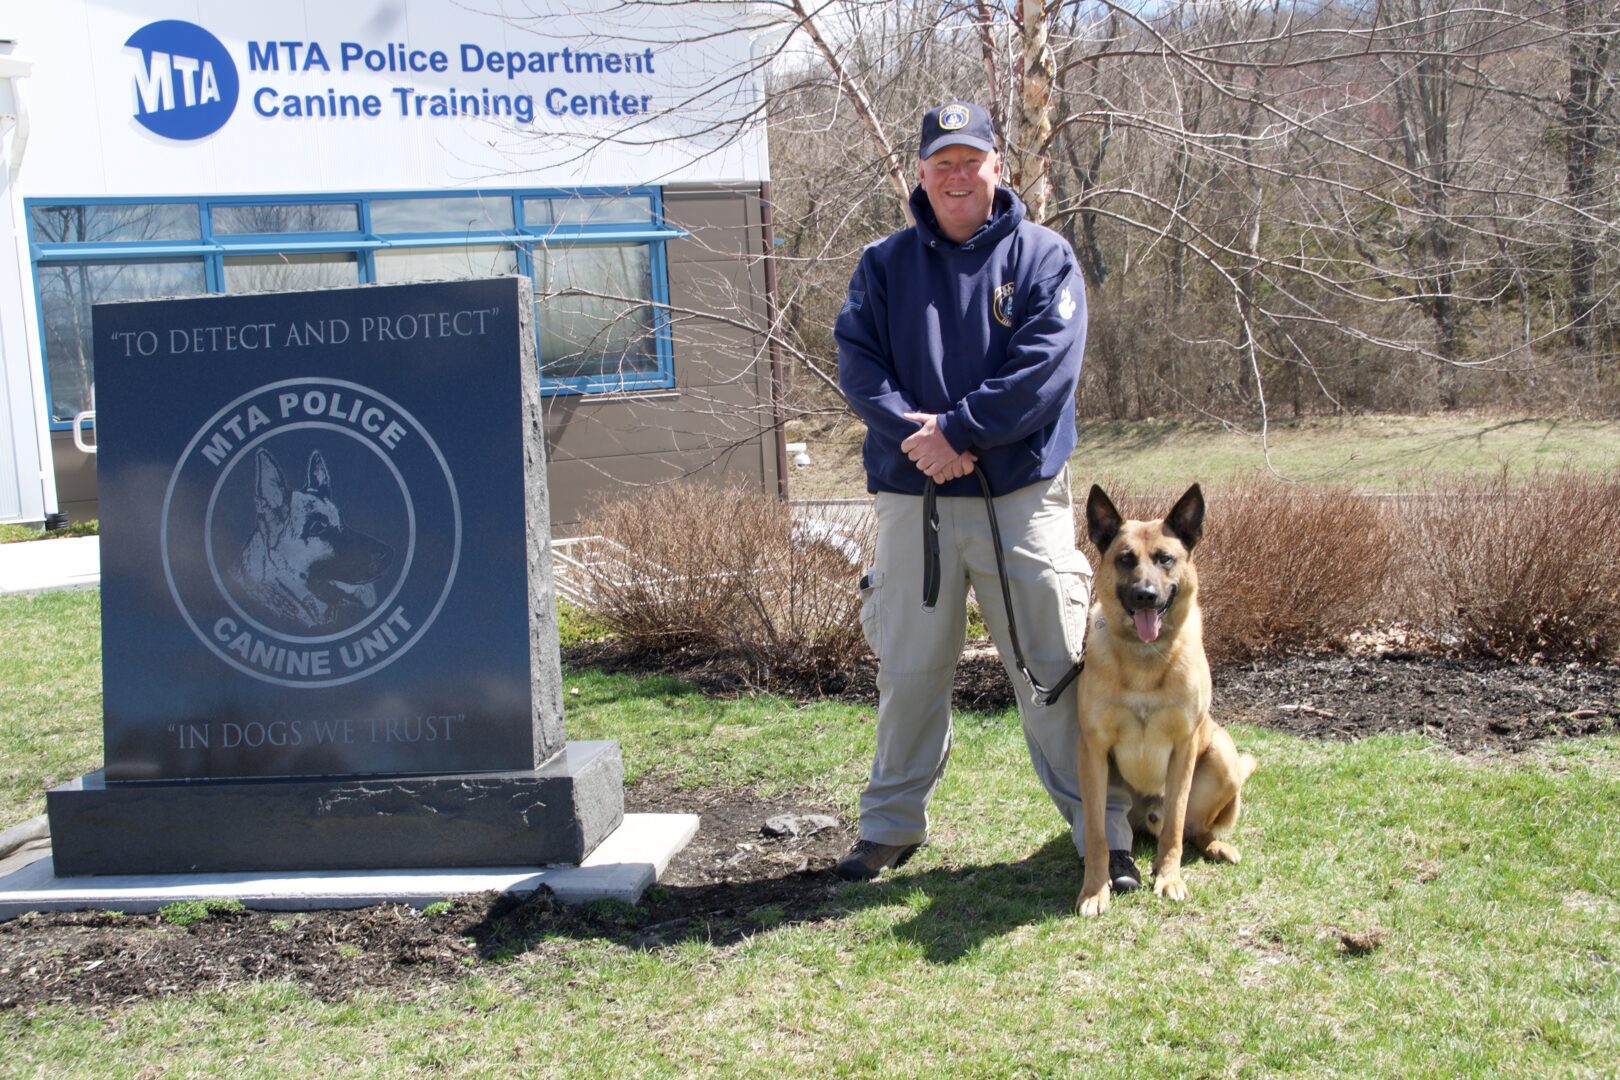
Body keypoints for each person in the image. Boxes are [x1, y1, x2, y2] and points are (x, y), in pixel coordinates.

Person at [833, 100, 1137, 891]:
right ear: (922, 175)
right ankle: (890, 828)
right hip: (915, 503)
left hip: (1020, 499)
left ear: (998, 168)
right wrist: (918, 435)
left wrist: (958, 433)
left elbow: (1044, 371)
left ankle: (1106, 834)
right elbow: (859, 366)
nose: (958, 176)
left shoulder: (1044, 258)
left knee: (1054, 671)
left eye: (972, 161)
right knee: (908, 671)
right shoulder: (883, 264)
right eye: (943, 163)